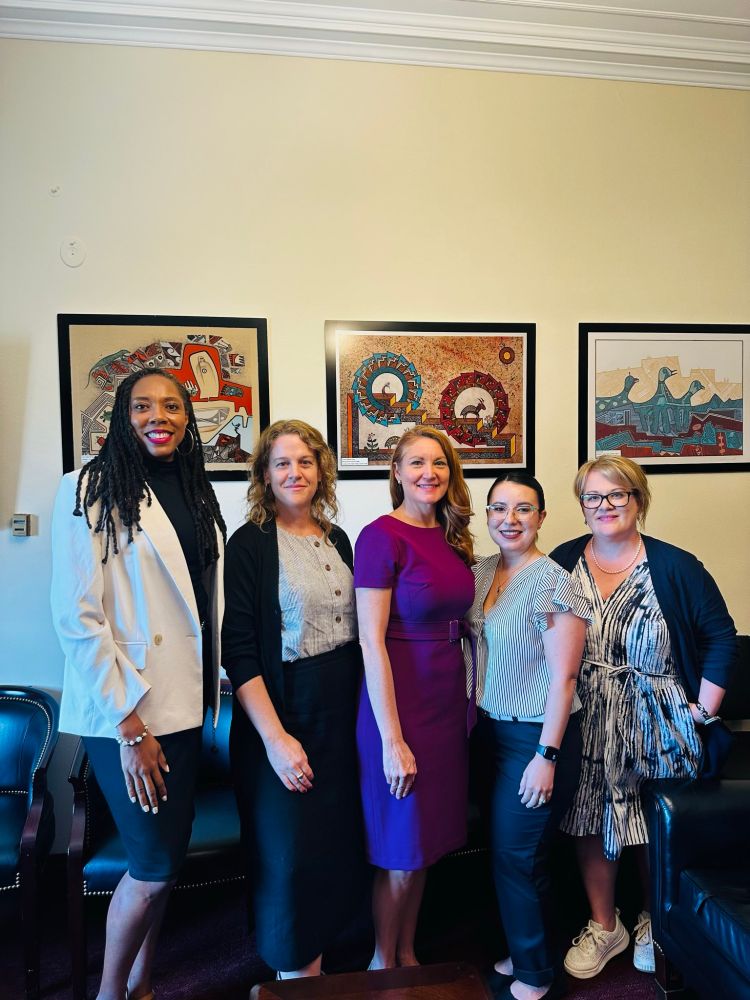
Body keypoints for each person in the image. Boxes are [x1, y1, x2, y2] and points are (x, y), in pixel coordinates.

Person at [51, 369, 226, 1000]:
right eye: (144, 405)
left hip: (185, 707)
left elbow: (199, 603)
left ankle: (144, 985)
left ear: (188, 416)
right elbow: (77, 618)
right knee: (151, 869)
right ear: (121, 415)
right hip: (130, 712)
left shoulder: (196, 489)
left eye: (173, 406)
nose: (161, 416)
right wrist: (129, 725)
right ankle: (108, 993)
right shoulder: (87, 488)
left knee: (167, 866)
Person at [550, 456, 736, 981]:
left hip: (662, 720)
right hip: (587, 717)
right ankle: (605, 925)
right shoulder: (564, 561)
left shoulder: (677, 567)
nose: (604, 506)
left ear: (638, 499)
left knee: (654, 824)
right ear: (581, 504)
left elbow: (720, 637)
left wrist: (702, 710)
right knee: (590, 818)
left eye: (617, 495)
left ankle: (655, 919)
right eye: (592, 497)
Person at [221, 419, 364, 980]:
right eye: (281, 462)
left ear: (321, 470)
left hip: (342, 705)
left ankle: (324, 957)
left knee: (331, 843)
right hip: (282, 710)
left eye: (305, 461)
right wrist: (277, 740)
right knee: (288, 854)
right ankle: (294, 975)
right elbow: (239, 650)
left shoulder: (338, 538)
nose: (294, 472)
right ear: (264, 473)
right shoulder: (250, 542)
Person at [354, 426, 475, 970]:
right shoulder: (381, 536)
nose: (430, 473)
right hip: (399, 709)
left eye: (440, 464)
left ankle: (408, 953)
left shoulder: (452, 537)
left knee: (422, 848)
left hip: (446, 707)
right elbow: (370, 641)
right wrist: (392, 739)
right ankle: (384, 964)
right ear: (397, 473)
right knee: (401, 853)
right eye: (417, 463)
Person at [466, 472, 590, 1000]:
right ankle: (524, 949)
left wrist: (547, 754)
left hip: (536, 736)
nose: (509, 520)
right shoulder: (480, 571)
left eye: (523, 509)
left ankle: (536, 975)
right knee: (506, 852)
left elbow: (564, 678)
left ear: (542, 517)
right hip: (488, 732)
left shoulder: (555, 580)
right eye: (498, 509)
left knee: (520, 855)